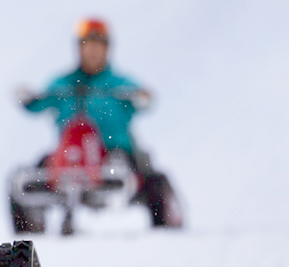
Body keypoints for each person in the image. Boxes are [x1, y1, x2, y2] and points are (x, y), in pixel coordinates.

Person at [14, 17, 182, 229]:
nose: (92, 51)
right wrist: (27, 98)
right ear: (79, 49)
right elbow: (38, 103)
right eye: (87, 45)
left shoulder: (118, 82)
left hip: (113, 151)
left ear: (107, 49)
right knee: (29, 174)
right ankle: (27, 228)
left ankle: (165, 222)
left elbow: (144, 101)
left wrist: (142, 96)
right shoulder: (63, 83)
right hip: (69, 155)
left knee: (149, 176)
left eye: (98, 46)